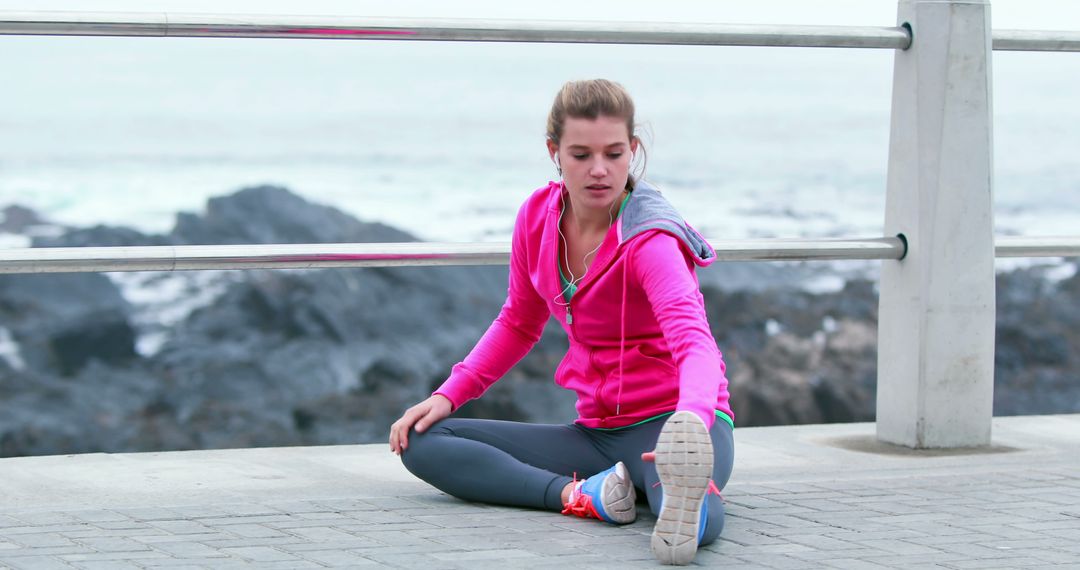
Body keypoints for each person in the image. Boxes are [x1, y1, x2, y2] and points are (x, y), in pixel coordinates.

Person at [389, 79, 734, 566]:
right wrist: (448, 395)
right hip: (595, 435)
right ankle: (584, 496)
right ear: (554, 152)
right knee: (421, 440)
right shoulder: (537, 217)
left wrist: (692, 420)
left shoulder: (650, 241)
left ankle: (684, 498)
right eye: (581, 155)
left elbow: (694, 343)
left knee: (680, 508)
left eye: (614, 154)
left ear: (633, 150)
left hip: (673, 428)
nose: (599, 170)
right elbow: (517, 323)